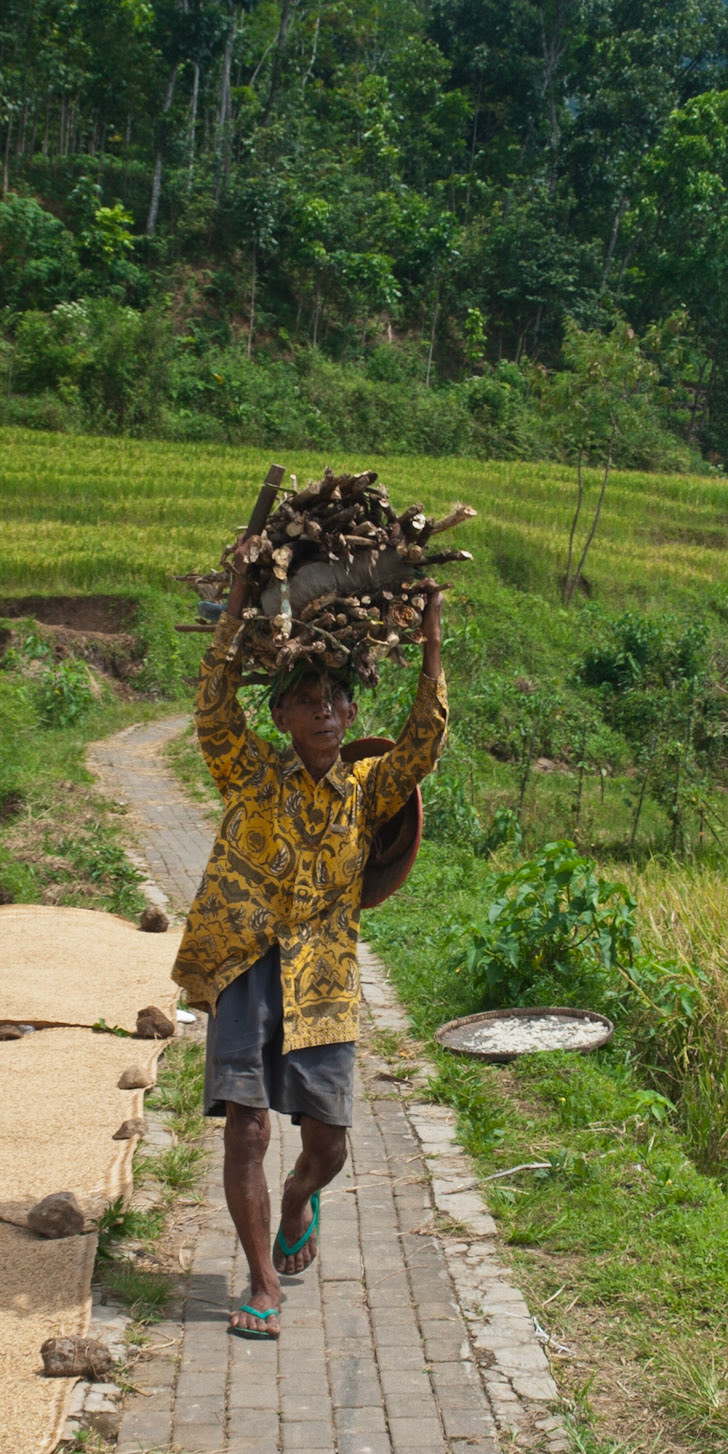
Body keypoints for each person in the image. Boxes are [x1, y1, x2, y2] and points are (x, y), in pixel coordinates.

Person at [172, 536, 447, 1339]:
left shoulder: (370, 787)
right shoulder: (249, 772)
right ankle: (260, 1281)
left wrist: (432, 648)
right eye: (307, 698)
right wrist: (230, 621)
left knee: (326, 1145)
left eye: (336, 697)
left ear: (352, 712)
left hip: (323, 974)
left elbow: (424, 746)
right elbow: (211, 711)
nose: (325, 708)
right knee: (247, 1128)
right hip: (243, 964)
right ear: (283, 714)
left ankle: (299, 1197)